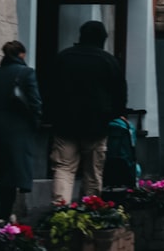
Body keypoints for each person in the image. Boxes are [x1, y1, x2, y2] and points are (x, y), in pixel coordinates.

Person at [48, 20, 128, 203]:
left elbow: (50, 89)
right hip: (97, 126)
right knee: (93, 172)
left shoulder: (64, 57)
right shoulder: (108, 61)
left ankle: (61, 211)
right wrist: (113, 114)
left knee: (63, 168)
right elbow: (120, 94)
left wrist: (52, 115)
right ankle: (91, 212)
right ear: (102, 39)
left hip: (65, 124)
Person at [0, 40, 42, 221]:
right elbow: (35, 102)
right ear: (21, 55)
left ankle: (4, 214)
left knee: (4, 171)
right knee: (19, 169)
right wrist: (36, 122)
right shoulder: (27, 73)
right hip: (20, 126)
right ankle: (9, 215)